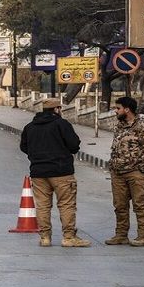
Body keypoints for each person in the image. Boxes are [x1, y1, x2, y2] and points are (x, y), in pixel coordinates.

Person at [19, 99, 90, 247]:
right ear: (57, 109)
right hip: (61, 172)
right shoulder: (61, 124)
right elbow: (74, 145)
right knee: (66, 204)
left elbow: (24, 147)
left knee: (43, 205)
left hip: (38, 172)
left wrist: (37, 157)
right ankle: (68, 237)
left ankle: (45, 237)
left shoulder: (30, 127)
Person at [106, 96, 144, 247]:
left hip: (136, 172)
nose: (115, 111)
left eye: (118, 108)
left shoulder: (142, 125)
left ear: (127, 109)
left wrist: (143, 169)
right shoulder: (119, 126)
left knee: (140, 205)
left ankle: (143, 236)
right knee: (120, 206)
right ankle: (121, 235)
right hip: (118, 172)